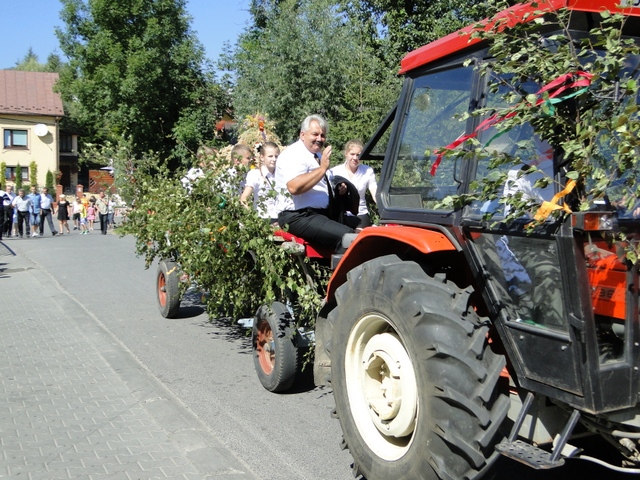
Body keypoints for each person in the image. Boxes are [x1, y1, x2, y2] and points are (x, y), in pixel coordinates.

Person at [275, 114, 355, 253]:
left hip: (320, 215)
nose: (319, 139)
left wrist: (339, 188)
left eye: (322, 135)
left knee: (366, 233)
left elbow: (321, 183)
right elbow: (294, 187)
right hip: (298, 216)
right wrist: (322, 168)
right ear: (302, 135)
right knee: (349, 238)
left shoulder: (317, 155)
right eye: (315, 134)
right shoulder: (293, 154)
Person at [329, 139, 378, 228]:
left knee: (359, 233)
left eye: (358, 155)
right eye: (352, 154)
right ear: (346, 154)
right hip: (341, 213)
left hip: (360, 213)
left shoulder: (367, 171)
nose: (355, 158)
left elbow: (374, 192)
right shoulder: (334, 171)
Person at [240, 142, 279, 224]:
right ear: (262, 157)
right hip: (263, 218)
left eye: (276, 156)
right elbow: (244, 199)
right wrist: (254, 218)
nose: (274, 159)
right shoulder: (255, 174)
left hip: (280, 217)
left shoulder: (281, 173)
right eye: (270, 156)